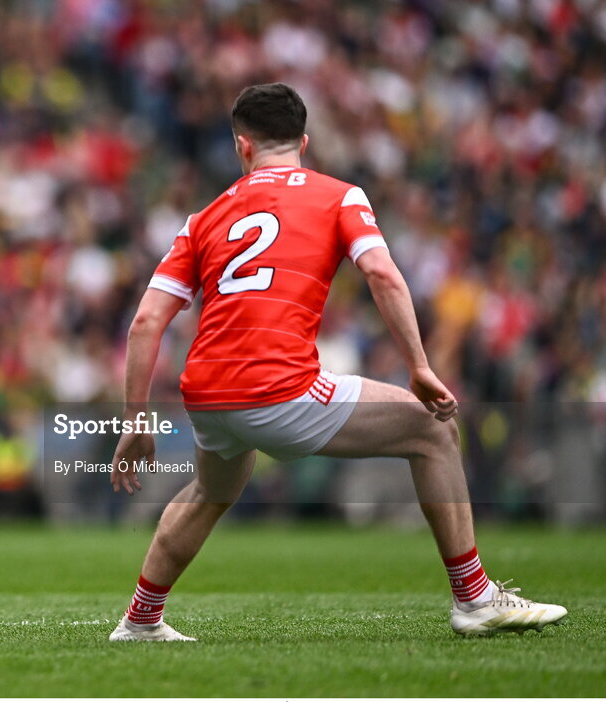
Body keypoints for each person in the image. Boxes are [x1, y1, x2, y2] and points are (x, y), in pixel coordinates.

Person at [107, 83, 566, 641]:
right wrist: (419, 365)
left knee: (210, 491)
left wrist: (134, 421)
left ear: (241, 147)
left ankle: (140, 620)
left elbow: (146, 322)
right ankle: (474, 598)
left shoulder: (202, 218)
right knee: (431, 427)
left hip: (207, 394)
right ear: (304, 141)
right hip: (279, 389)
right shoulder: (339, 195)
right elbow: (381, 273)